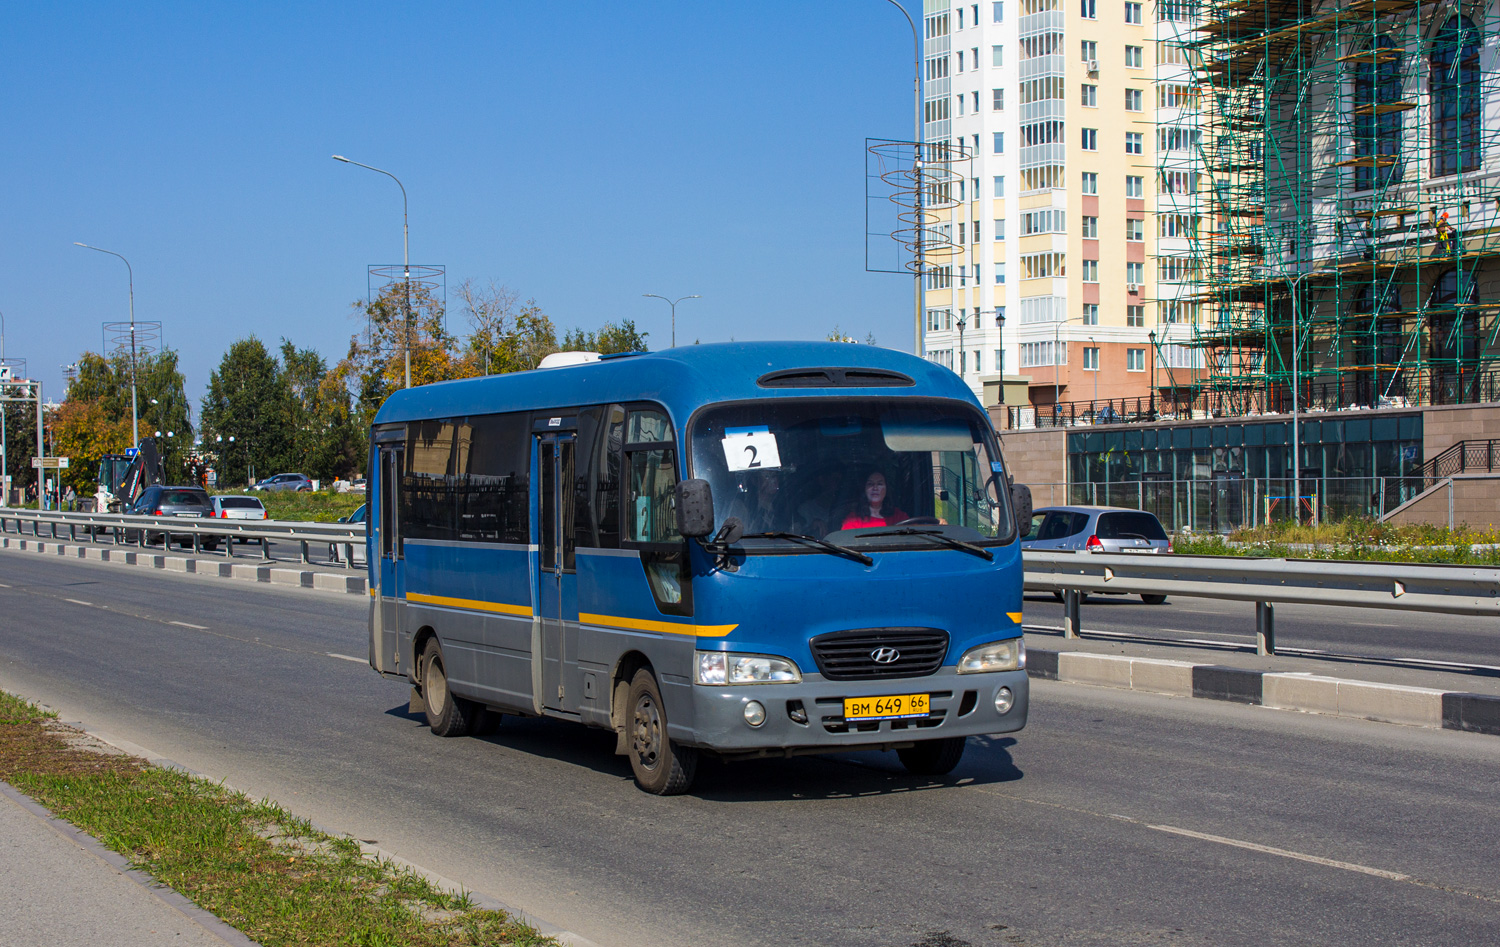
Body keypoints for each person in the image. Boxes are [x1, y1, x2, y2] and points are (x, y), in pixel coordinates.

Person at [728, 468, 792, 534]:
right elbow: (739, 538)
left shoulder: (783, 505)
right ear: (755, 480)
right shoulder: (741, 506)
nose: (773, 481)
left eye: (774, 476)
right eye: (767, 476)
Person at [840, 470, 909, 530]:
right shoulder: (853, 519)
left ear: (886, 489)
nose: (875, 488)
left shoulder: (899, 516)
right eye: (870, 484)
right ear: (864, 489)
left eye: (879, 484)